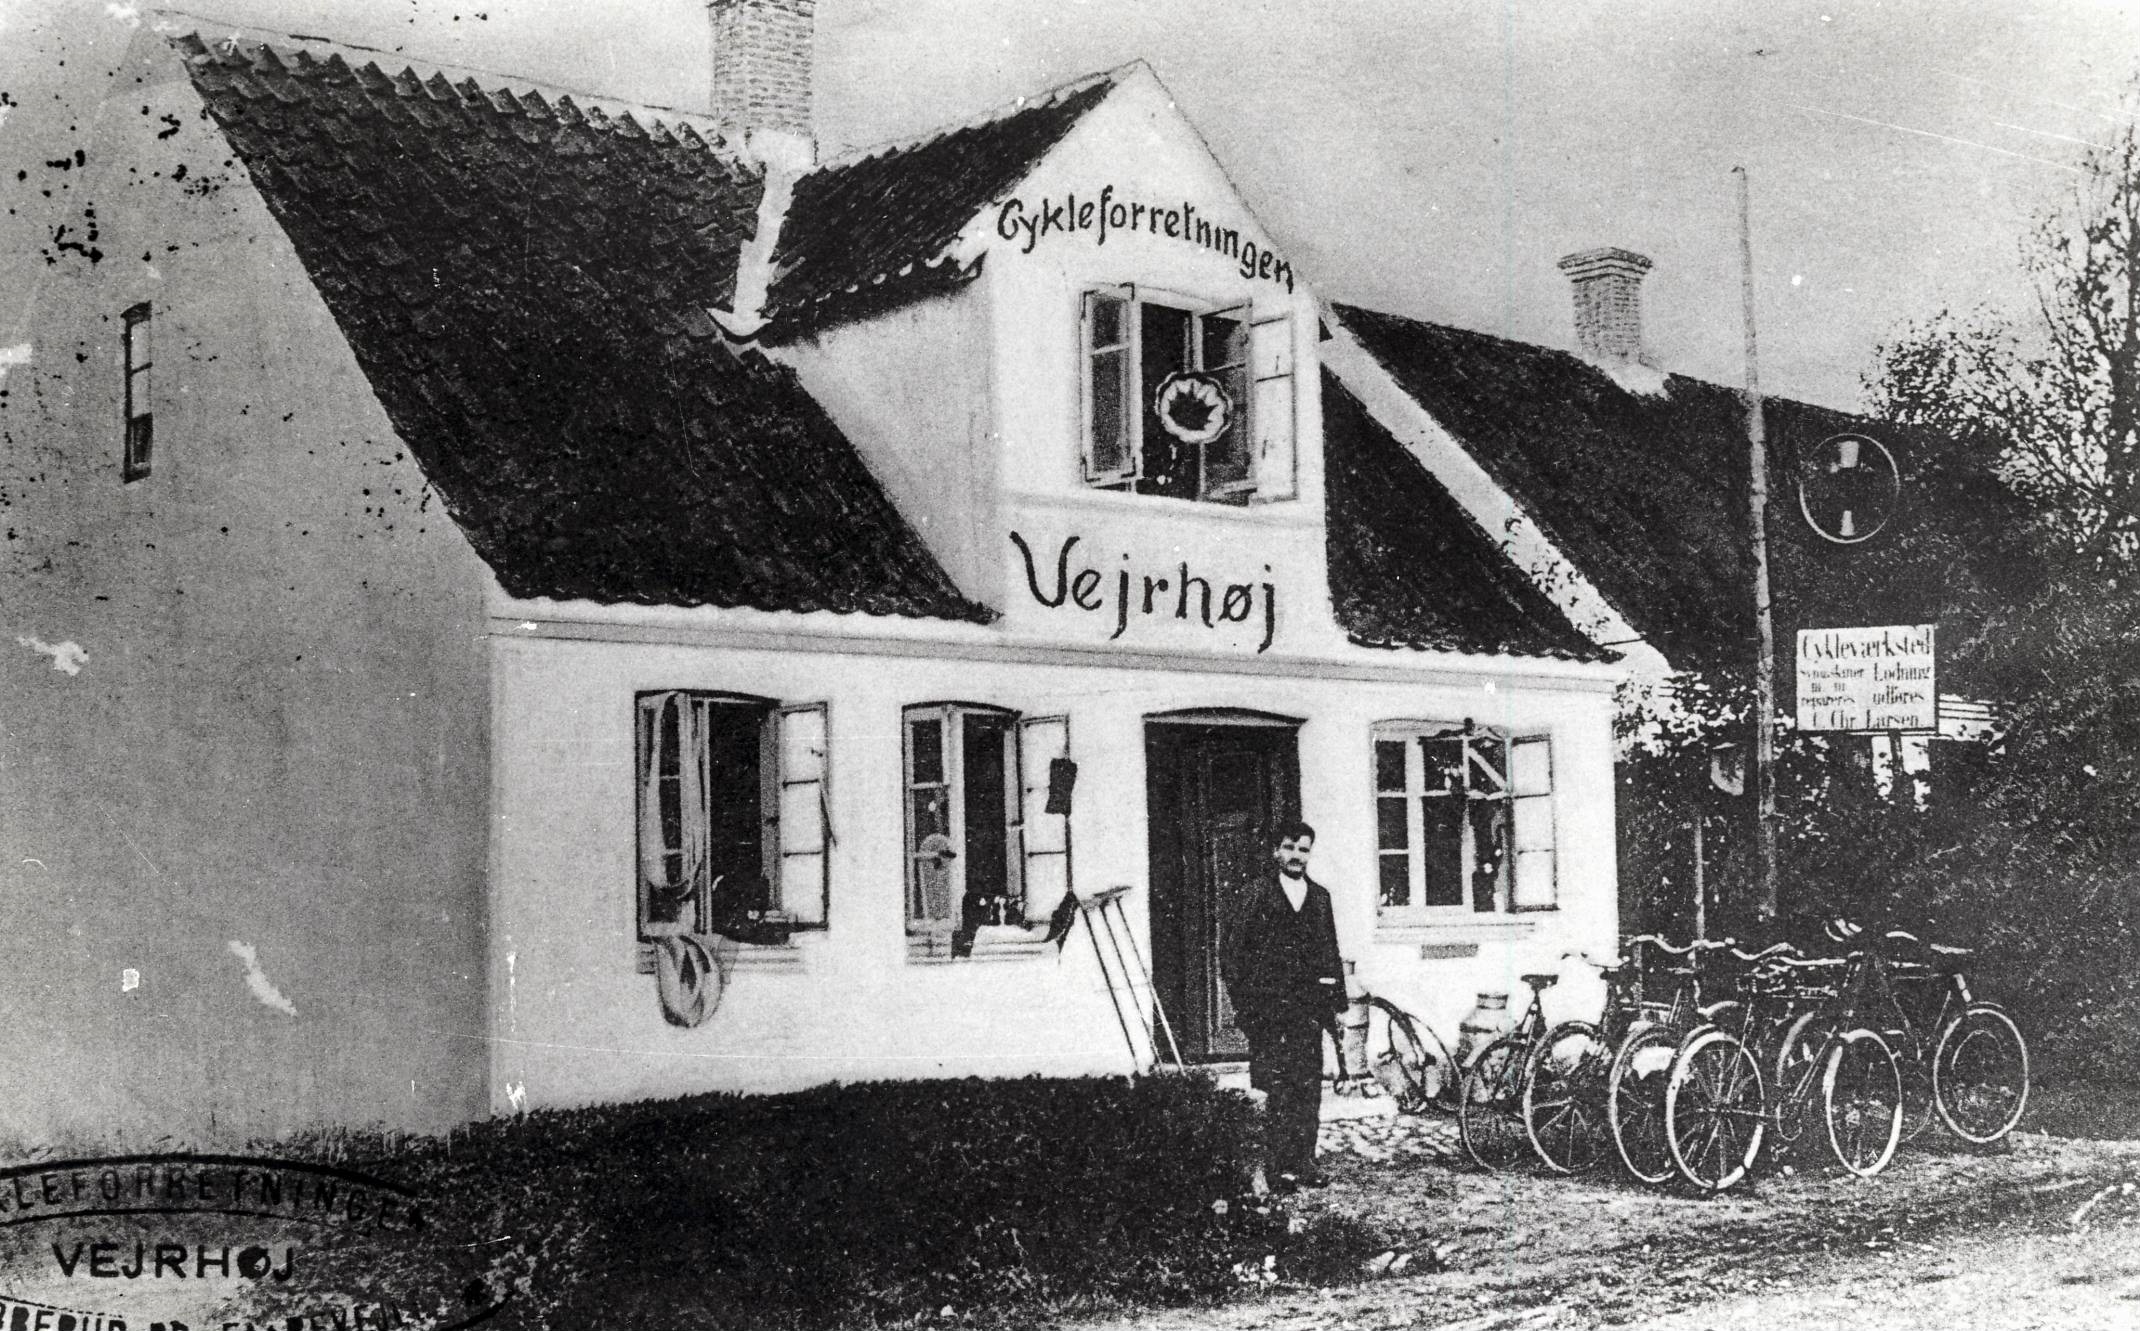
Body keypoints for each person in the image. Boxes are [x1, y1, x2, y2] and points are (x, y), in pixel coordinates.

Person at [1221, 820, 1347, 1191]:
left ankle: (1304, 1161)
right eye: (1289, 847)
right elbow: (1231, 954)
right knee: (1272, 1086)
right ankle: (1272, 1168)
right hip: (1267, 1011)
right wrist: (1245, 1006)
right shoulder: (1255, 894)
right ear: (1276, 850)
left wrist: (1336, 1006)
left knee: (1307, 1086)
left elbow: (1330, 951)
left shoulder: (1319, 897)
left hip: (1308, 1010)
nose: (1296, 856)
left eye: (1303, 849)